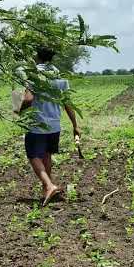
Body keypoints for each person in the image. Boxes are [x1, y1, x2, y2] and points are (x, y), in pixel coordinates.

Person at [20, 47, 82, 206]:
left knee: (33, 155)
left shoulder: (34, 76)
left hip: (37, 125)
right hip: (55, 126)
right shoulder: (60, 78)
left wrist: (20, 112)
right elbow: (67, 103)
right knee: (47, 155)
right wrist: (75, 125)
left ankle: (49, 185)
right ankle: (48, 190)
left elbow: (28, 100)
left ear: (37, 56)